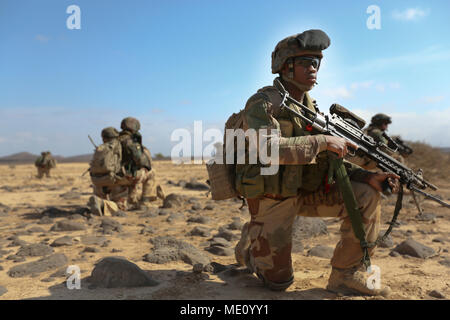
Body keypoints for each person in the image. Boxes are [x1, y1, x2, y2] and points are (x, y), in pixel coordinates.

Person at [233, 29, 400, 296]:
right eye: (305, 62)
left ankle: (345, 275)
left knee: (368, 193)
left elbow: (329, 160)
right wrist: (323, 142)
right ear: (285, 66)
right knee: (278, 283)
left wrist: (367, 176)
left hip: (307, 191)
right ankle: (253, 243)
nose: (313, 68)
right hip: (273, 198)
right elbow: (267, 149)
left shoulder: (311, 110)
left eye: (316, 63)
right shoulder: (263, 104)